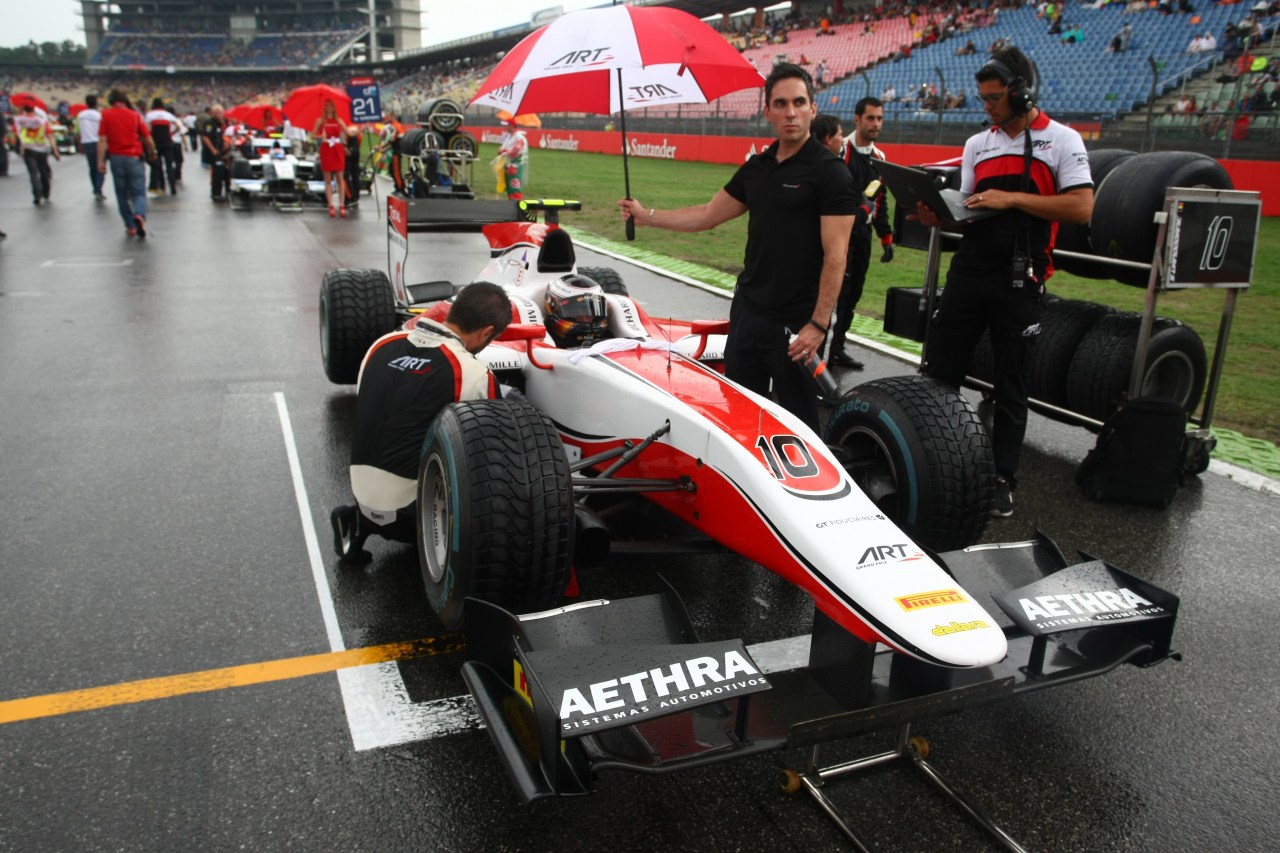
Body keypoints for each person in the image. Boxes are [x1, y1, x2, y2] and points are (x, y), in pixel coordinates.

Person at [618, 63, 860, 432]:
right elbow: (705, 216)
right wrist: (645, 215)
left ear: (813, 108)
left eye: (799, 102)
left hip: (796, 323)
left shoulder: (831, 174)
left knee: (799, 425)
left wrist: (817, 325)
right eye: (780, 103)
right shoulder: (757, 168)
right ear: (767, 111)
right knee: (741, 419)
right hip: (748, 314)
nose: (790, 112)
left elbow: (837, 256)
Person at [913, 47, 1093, 518]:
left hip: (1021, 279)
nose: (987, 106)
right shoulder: (979, 144)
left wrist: (1012, 199)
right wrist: (938, 217)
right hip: (969, 272)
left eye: (994, 98)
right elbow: (968, 212)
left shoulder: (1062, 140)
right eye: (983, 98)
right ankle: (933, 456)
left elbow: (1081, 208)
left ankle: (1002, 478)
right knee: (942, 370)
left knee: (1010, 383)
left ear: (1020, 92)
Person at [329, 282, 513, 561]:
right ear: (488, 332)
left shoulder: (380, 346)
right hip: (414, 520)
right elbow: (491, 454)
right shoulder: (472, 373)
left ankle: (358, 521)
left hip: (361, 495)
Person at [833, 96, 894, 373]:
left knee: (853, 293)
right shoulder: (839, 151)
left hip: (863, 236)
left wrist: (886, 237)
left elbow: (880, 203)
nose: (876, 124)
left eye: (880, 119)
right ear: (857, 119)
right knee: (832, 293)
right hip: (836, 235)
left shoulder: (880, 158)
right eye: (871, 118)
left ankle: (837, 348)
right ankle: (816, 351)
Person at [97, 89, 157, 238]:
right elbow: (148, 139)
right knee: (139, 192)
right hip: (134, 156)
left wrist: (100, 161)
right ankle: (139, 214)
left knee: (121, 193)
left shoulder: (106, 115)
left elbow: (103, 140)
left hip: (116, 158)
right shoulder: (135, 116)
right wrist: (152, 153)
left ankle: (130, 225)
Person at [14, 102, 61, 205]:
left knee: (33, 173)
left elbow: (16, 132)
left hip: (28, 149)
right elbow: (50, 136)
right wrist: (55, 150)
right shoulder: (42, 121)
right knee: (43, 171)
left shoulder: (19, 120)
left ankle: (37, 195)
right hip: (42, 149)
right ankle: (46, 192)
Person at [312, 99, 349, 217]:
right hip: (326, 148)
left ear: (334, 107)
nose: (328, 107)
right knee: (328, 179)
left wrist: (362, 128)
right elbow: (313, 134)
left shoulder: (339, 120)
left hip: (337, 149)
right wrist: (320, 136)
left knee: (340, 178)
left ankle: (342, 204)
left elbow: (348, 132)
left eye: (330, 105)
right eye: (326, 105)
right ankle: (331, 205)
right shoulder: (320, 121)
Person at [144, 97, 181, 196]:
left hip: (156, 143)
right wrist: (171, 134)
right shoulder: (168, 115)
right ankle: (172, 186)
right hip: (168, 142)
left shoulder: (150, 115)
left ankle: (162, 186)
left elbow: (147, 130)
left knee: (158, 165)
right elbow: (178, 127)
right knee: (169, 165)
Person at [77, 94, 106, 200]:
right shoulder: (99, 115)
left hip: (87, 142)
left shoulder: (80, 115)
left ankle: (95, 187)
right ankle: (98, 188)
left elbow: (78, 131)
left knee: (92, 167)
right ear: (96, 103)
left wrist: (79, 144)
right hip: (98, 142)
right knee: (100, 166)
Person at [496, 118, 529, 200]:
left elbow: (516, 151)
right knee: (510, 189)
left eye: (506, 125)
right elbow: (503, 149)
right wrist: (501, 150)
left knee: (515, 188)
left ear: (511, 126)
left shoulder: (519, 137)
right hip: (509, 165)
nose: (505, 127)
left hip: (516, 166)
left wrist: (504, 151)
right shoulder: (509, 137)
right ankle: (512, 206)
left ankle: (519, 208)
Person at [202, 104, 230, 201]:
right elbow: (205, 137)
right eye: (218, 113)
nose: (220, 115)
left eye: (221, 113)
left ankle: (224, 190)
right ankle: (216, 193)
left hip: (220, 150)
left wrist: (225, 143)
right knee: (217, 171)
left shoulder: (220, 124)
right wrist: (213, 149)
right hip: (213, 152)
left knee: (223, 171)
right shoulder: (210, 123)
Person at [343, 123, 363, 209]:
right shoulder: (356, 126)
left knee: (345, 175)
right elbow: (360, 139)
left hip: (348, 151)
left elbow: (343, 140)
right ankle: (356, 195)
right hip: (356, 150)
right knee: (355, 175)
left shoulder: (344, 126)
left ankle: (349, 197)